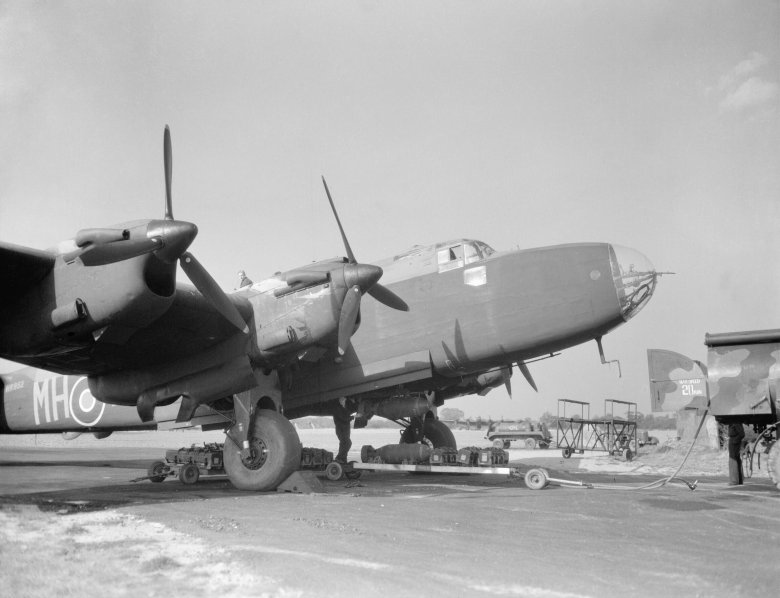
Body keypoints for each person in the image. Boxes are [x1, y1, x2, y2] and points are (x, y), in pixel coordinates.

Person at [333, 397, 353, 463]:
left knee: (343, 444)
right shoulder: (337, 409)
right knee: (347, 443)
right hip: (341, 430)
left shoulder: (345, 408)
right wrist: (354, 417)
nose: (343, 401)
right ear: (340, 401)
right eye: (342, 400)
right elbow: (344, 418)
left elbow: (347, 415)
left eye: (344, 400)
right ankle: (338, 458)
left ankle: (343, 460)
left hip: (346, 430)